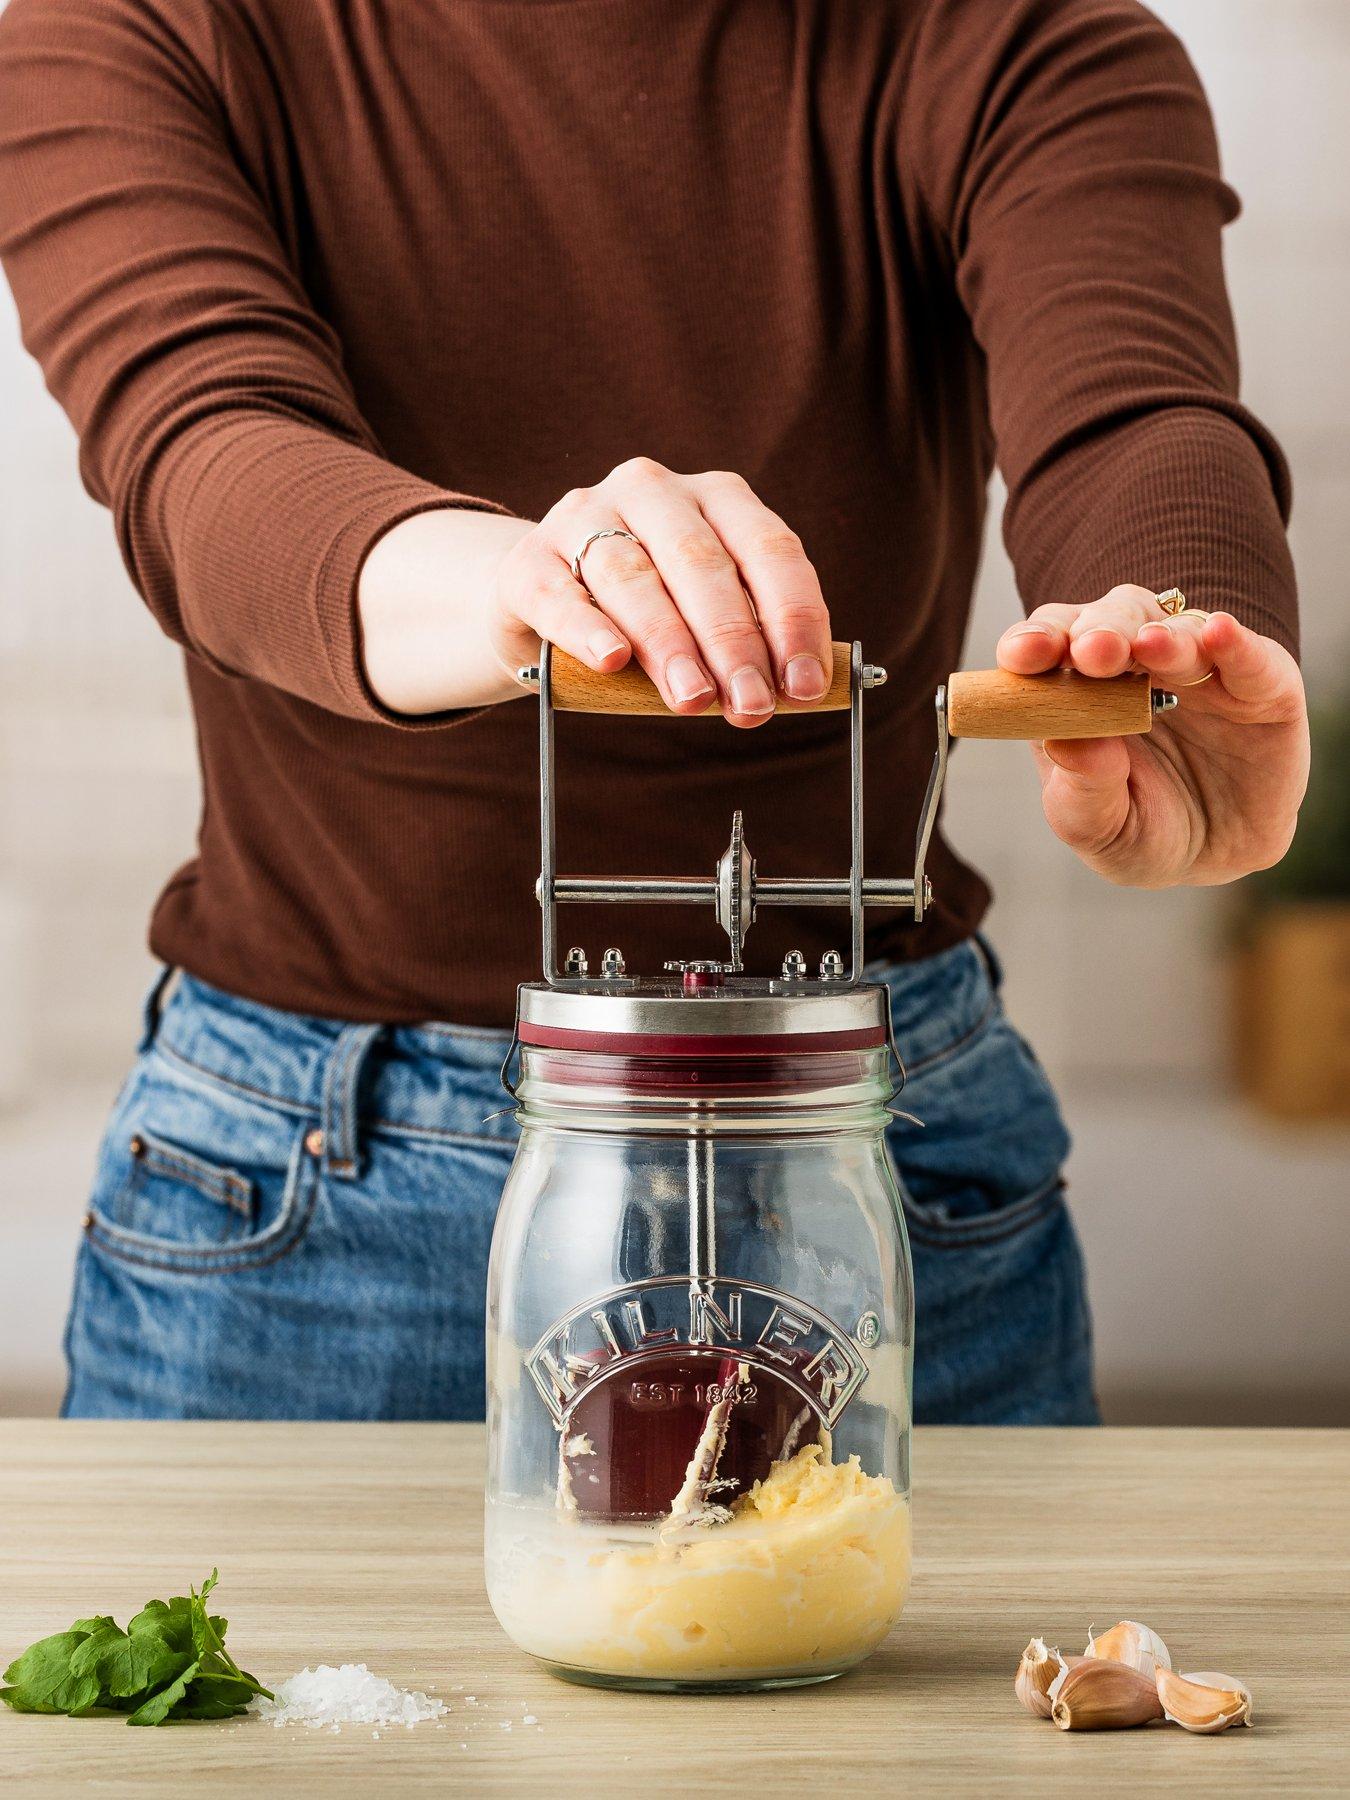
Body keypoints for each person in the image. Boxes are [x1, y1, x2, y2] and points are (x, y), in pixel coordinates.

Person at [0, 0, 1306, 1424]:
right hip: (316, 1187)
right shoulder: (132, 26)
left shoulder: (1016, 34)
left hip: (873, 1139)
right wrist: (526, 586)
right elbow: (202, 443)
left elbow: (1126, 406)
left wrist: (1174, 626)